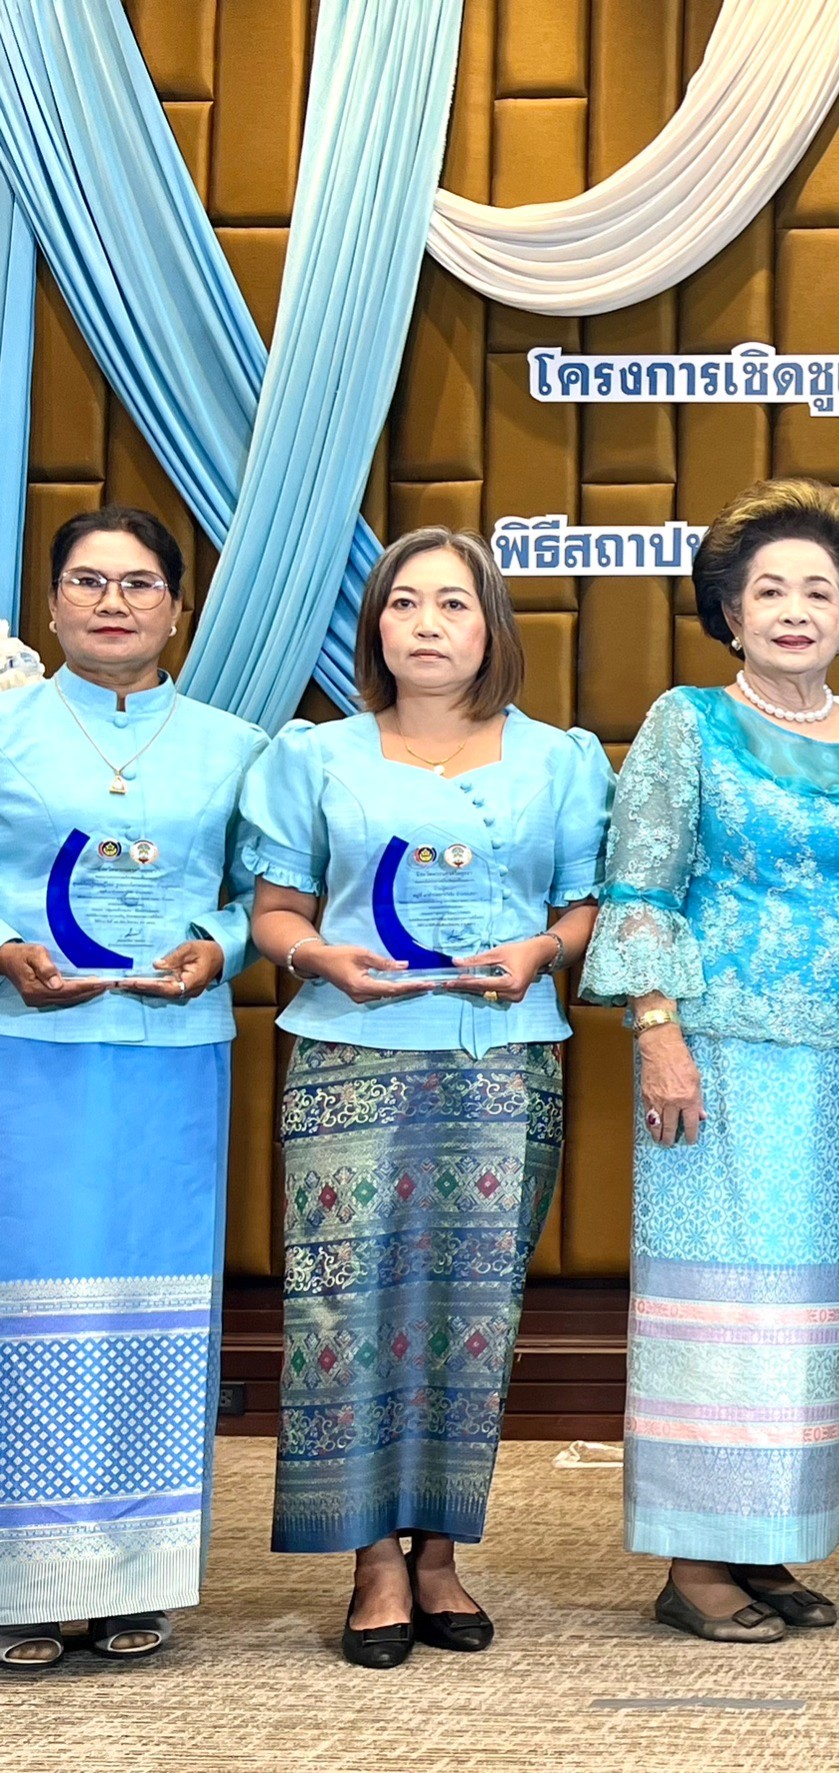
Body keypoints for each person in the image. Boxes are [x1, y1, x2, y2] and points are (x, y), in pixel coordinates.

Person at [241, 528, 613, 1668]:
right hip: (350, 1054)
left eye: (454, 604)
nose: (429, 624)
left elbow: (591, 905)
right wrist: (319, 958)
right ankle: (369, 1562)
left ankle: (441, 1552)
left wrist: (544, 948)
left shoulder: (562, 759)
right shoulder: (314, 757)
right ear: (378, 628)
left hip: (504, 1059)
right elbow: (275, 913)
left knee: (475, 1308)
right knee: (343, 1312)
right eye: (406, 604)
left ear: (491, 627)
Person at [582, 481, 839, 1644]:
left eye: (821, 589)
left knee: (806, 1315)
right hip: (713, 1055)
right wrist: (657, 1029)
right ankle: (692, 1566)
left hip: (837, 1065)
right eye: (770, 589)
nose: (796, 608)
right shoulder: (688, 721)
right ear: (728, 611)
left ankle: (766, 1542)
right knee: (713, 1308)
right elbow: (644, 879)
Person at [0, 508, 268, 1670]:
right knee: (29, 1311)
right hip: (31, 1053)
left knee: (151, 1311)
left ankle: (131, 1580)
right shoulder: (6, 727)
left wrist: (221, 943)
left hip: (173, 1057)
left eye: (141, 584)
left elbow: (272, 890)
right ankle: (17, 1579)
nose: (114, 603)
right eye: (88, 582)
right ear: (49, 604)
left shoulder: (237, 744)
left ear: (179, 609)